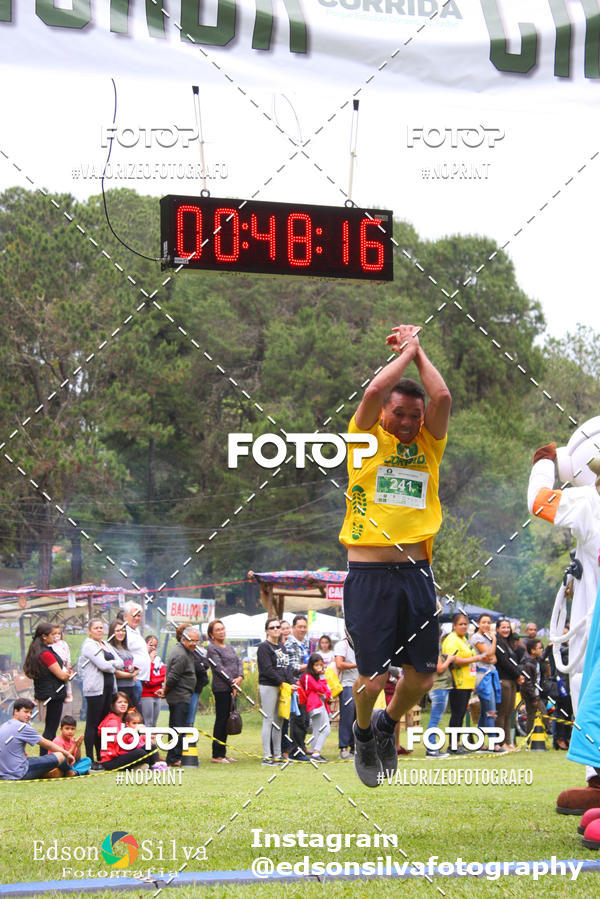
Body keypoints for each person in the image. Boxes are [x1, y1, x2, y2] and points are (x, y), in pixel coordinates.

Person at [339, 322, 451, 787]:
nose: (408, 423)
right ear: (385, 412)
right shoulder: (365, 440)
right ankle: (364, 733)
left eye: (414, 416)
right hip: (368, 576)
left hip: (416, 573)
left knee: (422, 680)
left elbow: (441, 398)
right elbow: (374, 389)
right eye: (400, 414)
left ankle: (386, 726)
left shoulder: (428, 443)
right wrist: (405, 352)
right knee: (369, 678)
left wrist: (419, 351)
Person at [527, 441, 600, 809]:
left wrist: (543, 464)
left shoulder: (588, 499)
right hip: (592, 616)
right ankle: (597, 781)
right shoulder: (587, 499)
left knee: (589, 688)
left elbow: (538, 501)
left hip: (591, 621)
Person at [78, 618, 125, 767]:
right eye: (96, 628)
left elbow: (121, 662)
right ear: (89, 631)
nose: (99, 630)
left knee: (104, 723)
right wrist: (113, 665)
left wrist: (111, 665)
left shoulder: (105, 644)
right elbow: (103, 665)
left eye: (101, 628)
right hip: (95, 690)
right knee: (93, 723)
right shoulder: (88, 646)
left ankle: (102, 755)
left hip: (109, 688)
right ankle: (90, 758)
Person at [442, 613, 489, 753]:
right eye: (460, 624)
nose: (463, 626)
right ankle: (453, 745)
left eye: (465, 624)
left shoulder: (463, 639)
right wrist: (476, 658)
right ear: (454, 626)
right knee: (457, 714)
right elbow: (454, 660)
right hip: (458, 682)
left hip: (467, 683)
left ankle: (457, 742)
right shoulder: (452, 640)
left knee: (461, 713)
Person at [23, 621, 72, 753]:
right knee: (50, 729)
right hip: (53, 694)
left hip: (46, 692)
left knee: (50, 728)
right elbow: (61, 675)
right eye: (52, 634)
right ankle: (45, 757)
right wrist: (68, 674)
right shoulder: (45, 654)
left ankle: (48, 755)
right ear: (44, 636)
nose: (55, 637)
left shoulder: (38, 651)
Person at [0, 699, 75, 780]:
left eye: (30, 712)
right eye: (26, 712)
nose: (29, 715)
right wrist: (67, 754)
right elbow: (47, 744)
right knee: (60, 755)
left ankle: (55, 772)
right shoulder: (22, 727)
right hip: (19, 772)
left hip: (3, 772)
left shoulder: (4, 725)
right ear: (15, 711)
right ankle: (73, 771)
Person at [257, 618, 296, 765]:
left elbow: (286, 668)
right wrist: (281, 683)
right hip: (269, 685)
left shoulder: (281, 647)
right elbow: (267, 669)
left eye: (277, 627)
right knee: (268, 719)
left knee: (279, 721)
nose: (275, 630)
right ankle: (267, 755)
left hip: (283, 687)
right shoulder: (264, 647)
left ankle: (278, 755)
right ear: (267, 630)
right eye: (272, 627)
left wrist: (291, 683)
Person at [206, 619, 243, 764]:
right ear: (212, 634)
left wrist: (240, 677)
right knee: (221, 720)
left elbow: (238, 662)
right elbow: (218, 668)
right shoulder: (212, 648)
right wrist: (231, 682)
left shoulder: (230, 647)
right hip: (221, 688)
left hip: (234, 688)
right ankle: (217, 754)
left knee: (229, 719)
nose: (221, 632)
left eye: (222, 629)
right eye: (218, 630)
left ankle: (223, 752)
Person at [163, 626, 199, 767]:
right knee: (178, 728)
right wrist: (165, 690)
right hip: (179, 696)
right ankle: (174, 758)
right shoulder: (181, 655)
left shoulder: (185, 650)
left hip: (182, 695)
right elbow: (172, 677)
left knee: (177, 726)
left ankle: (174, 756)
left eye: (196, 641)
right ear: (183, 639)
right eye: (191, 641)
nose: (194, 644)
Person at [98, 694, 159, 771]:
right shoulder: (112, 720)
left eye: (125, 702)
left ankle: (151, 765)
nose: (123, 704)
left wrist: (145, 738)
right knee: (141, 753)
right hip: (111, 761)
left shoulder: (124, 719)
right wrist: (134, 731)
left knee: (150, 746)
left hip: (122, 753)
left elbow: (128, 740)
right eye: (119, 702)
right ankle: (143, 765)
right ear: (113, 705)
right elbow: (117, 740)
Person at [284, 615, 311, 762]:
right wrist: (310, 665)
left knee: (305, 720)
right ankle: (296, 751)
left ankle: (301, 748)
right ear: (293, 628)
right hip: (296, 685)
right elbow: (291, 667)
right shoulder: (290, 644)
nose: (302, 629)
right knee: (298, 720)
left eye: (304, 627)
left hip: (306, 685)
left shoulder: (305, 642)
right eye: (299, 627)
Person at [495, 618, 524, 751]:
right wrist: (517, 675)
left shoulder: (510, 643)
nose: (506, 630)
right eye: (503, 627)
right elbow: (504, 662)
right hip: (503, 680)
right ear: (497, 629)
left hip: (512, 681)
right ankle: (501, 743)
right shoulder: (498, 643)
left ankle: (509, 741)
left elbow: (516, 660)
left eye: (508, 627)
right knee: (501, 713)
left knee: (509, 713)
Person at [470, 615, 501, 739]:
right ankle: (493, 741)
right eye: (484, 622)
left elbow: (493, 659)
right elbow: (489, 654)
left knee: (485, 711)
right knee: (490, 710)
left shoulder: (485, 638)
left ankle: (480, 742)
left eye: (488, 622)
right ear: (478, 623)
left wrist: (490, 657)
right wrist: (494, 641)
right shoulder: (477, 637)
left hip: (490, 673)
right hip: (483, 676)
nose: (486, 625)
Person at [425, 631, 454, 758]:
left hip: (439, 687)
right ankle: (431, 749)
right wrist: (449, 660)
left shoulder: (431, 648)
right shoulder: (433, 649)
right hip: (439, 688)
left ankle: (432, 748)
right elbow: (440, 669)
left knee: (435, 718)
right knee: (435, 719)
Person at [300, 654, 332, 762]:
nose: (319, 667)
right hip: (315, 705)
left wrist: (322, 680)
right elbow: (319, 688)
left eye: (321, 665)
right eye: (316, 665)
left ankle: (315, 752)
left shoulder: (319, 677)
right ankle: (316, 753)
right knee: (325, 729)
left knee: (317, 730)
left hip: (321, 704)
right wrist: (322, 678)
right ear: (311, 665)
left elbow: (327, 691)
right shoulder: (307, 676)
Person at [334, 634, 358, 760]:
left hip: (361, 685)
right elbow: (339, 664)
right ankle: (343, 748)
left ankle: (354, 748)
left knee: (359, 718)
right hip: (347, 685)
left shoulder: (362, 642)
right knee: (347, 717)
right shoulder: (342, 645)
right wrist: (358, 664)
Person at [123, 601, 150, 711]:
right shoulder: (124, 632)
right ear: (125, 617)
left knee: (137, 711)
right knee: (133, 711)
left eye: (139, 615)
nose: (137, 618)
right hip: (134, 679)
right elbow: (123, 654)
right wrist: (131, 673)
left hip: (141, 678)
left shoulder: (136, 630)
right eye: (134, 615)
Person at [107, 619, 140, 708]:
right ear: (112, 632)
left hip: (131, 686)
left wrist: (133, 670)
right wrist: (131, 675)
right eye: (118, 631)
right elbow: (114, 672)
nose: (121, 633)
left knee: (136, 715)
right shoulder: (110, 649)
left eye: (123, 630)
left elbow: (128, 666)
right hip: (119, 688)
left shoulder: (125, 648)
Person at [521, 638, 546, 737]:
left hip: (537, 693)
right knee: (536, 715)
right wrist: (533, 697)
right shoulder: (528, 664)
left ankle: (536, 737)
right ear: (533, 651)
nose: (542, 650)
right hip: (531, 695)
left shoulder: (538, 662)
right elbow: (527, 683)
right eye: (540, 648)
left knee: (534, 715)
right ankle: (529, 739)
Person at [140, 635, 166, 727]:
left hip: (157, 694)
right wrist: (150, 661)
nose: (153, 648)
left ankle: (151, 741)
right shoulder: (143, 659)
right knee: (148, 722)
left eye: (156, 646)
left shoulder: (158, 660)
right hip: (146, 694)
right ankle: (145, 741)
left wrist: (156, 680)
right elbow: (148, 679)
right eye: (151, 645)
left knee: (154, 723)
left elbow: (164, 675)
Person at [51, 624, 73, 716]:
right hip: (54, 665)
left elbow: (67, 655)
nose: (57, 636)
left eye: (58, 634)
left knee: (67, 677)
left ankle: (69, 693)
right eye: (54, 633)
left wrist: (68, 664)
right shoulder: (50, 645)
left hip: (63, 664)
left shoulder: (63, 644)